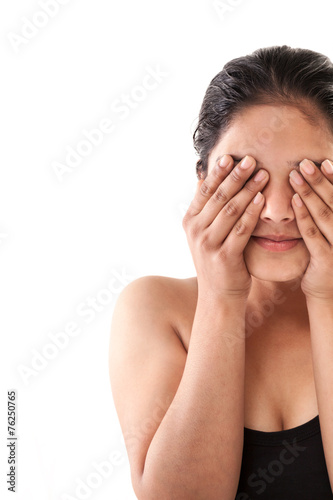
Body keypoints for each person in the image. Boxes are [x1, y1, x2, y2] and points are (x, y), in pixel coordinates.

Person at [108, 45, 333, 499]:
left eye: (304, 177)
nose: (276, 211)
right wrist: (221, 297)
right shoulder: (156, 308)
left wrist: (326, 298)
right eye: (250, 179)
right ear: (203, 181)